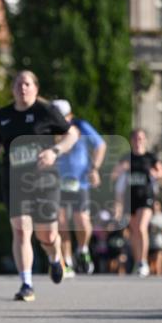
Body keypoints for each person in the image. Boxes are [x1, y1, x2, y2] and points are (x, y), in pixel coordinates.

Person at [0, 71, 79, 302]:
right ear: (12, 88)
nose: (22, 88)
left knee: (46, 234)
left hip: (45, 180)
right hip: (15, 180)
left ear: (36, 88)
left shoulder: (46, 111)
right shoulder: (2, 115)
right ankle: (26, 283)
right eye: (18, 84)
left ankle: (55, 257)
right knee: (20, 229)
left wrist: (54, 151)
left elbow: (72, 135)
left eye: (27, 84)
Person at [51, 99, 106, 277]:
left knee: (81, 219)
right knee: (61, 222)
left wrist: (95, 168)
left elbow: (100, 145)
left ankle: (82, 249)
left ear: (70, 116)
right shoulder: (48, 129)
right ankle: (66, 260)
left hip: (79, 181)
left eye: (62, 117)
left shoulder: (80, 126)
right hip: (56, 181)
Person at [112, 128, 162, 277]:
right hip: (131, 198)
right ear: (131, 141)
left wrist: (155, 173)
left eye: (141, 138)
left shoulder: (150, 157)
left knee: (142, 227)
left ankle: (143, 261)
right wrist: (121, 169)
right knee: (135, 232)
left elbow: (161, 172)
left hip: (146, 197)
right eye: (135, 138)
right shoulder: (126, 158)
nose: (138, 141)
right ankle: (137, 262)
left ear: (145, 140)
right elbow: (114, 175)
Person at [148, 199, 162, 276]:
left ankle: (160, 282)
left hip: (160, 242)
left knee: (159, 264)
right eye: (154, 204)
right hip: (150, 242)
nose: (155, 206)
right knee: (151, 265)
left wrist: (159, 228)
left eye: (157, 204)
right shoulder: (148, 214)